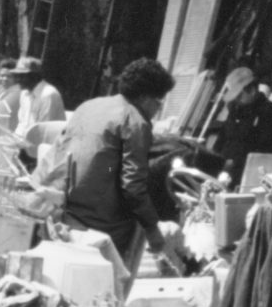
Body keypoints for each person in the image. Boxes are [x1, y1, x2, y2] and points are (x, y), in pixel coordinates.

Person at [56, 58, 183, 275]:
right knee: (138, 221)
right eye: (158, 101)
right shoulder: (135, 122)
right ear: (144, 97)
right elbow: (133, 186)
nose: (158, 108)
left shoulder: (89, 106)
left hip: (65, 205)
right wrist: (152, 229)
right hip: (99, 219)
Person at [212, 66, 272, 186]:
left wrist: (232, 163)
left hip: (248, 172)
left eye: (239, 96)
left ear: (251, 90)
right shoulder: (236, 111)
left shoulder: (270, 113)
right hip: (225, 170)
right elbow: (221, 140)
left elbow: (267, 150)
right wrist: (214, 159)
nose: (236, 100)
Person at [13, 55, 66, 144]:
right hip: (26, 144)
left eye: (22, 76)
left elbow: (44, 132)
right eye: (17, 76)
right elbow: (22, 124)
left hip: (47, 147)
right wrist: (13, 140)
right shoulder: (24, 93)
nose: (17, 80)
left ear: (35, 76)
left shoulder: (48, 94)